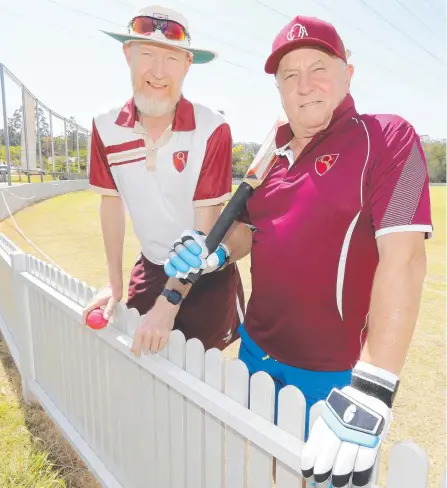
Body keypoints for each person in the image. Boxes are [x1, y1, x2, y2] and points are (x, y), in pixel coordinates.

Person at [164, 15, 432, 487]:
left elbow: (405, 259)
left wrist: (374, 385)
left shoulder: (389, 138)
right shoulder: (271, 151)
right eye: (290, 74)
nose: (304, 84)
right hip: (256, 353)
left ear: (348, 73)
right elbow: (245, 228)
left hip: (333, 373)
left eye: (319, 68)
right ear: (278, 88)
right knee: (274, 470)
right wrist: (216, 253)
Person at [82, 5, 244, 356]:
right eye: (147, 54)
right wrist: (114, 284)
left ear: (187, 65)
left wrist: (168, 304)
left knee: (204, 382)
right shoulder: (104, 126)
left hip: (205, 274)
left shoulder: (213, 128)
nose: (158, 71)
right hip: (152, 264)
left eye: (171, 58)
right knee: (144, 367)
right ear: (128, 55)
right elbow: (110, 204)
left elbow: (206, 228)